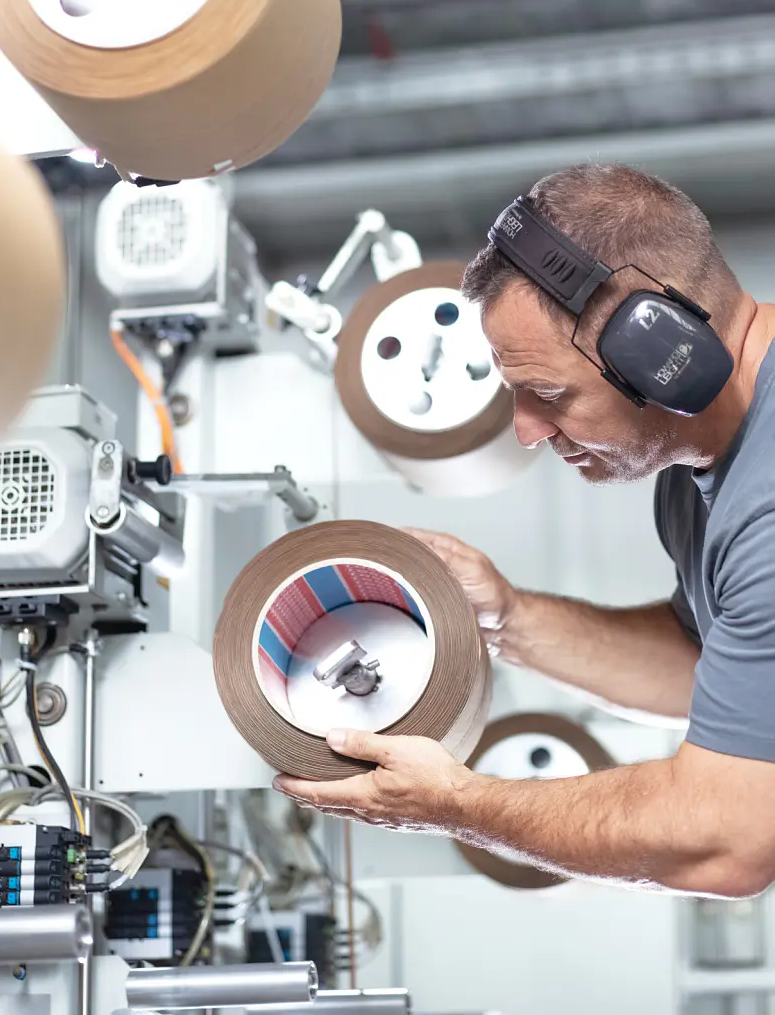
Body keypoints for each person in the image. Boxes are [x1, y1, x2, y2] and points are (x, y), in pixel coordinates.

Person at [274, 162, 775, 899]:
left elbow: (726, 842)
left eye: (547, 393)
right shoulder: (693, 471)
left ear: (664, 353)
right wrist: (504, 617)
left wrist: (453, 803)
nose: (528, 430)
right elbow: (704, 665)